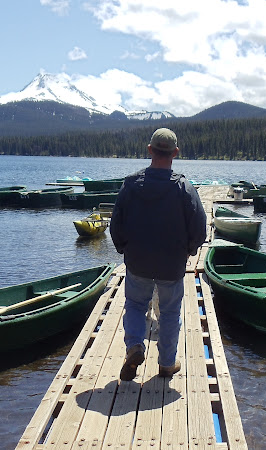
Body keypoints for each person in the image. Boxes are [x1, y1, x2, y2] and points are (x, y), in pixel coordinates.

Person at [110, 128, 208, 381]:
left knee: (135, 305)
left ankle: (135, 346)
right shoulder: (184, 187)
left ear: (150, 150)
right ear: (175, 153)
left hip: (138, 262)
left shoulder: (131, 185)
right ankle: (166, 364)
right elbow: (199, 228)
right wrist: (189, 251)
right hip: (171, 265)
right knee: (170, 313)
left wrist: (123, 248)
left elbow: (116, 223)